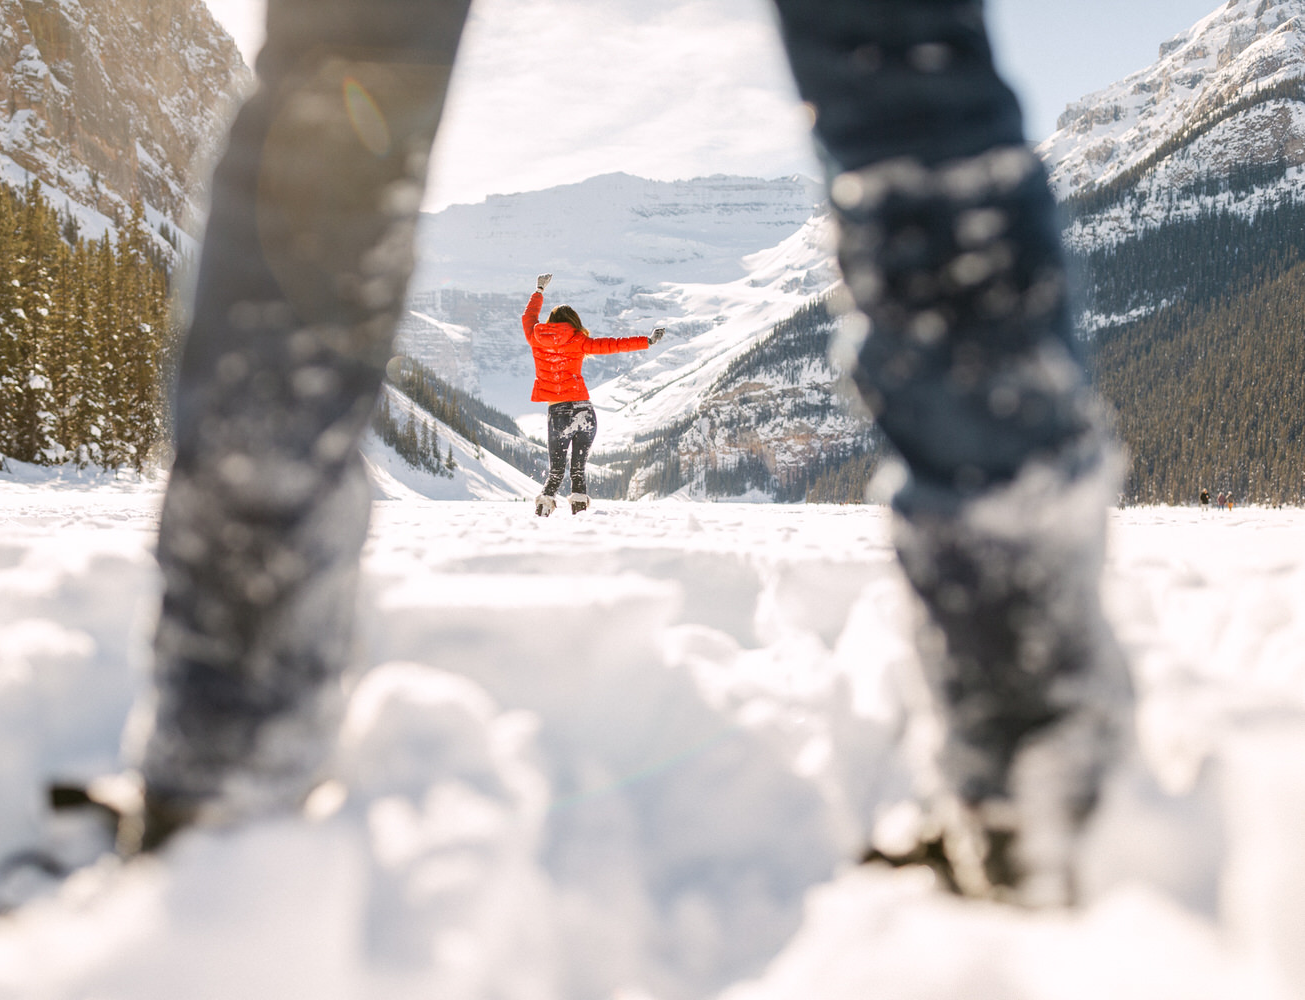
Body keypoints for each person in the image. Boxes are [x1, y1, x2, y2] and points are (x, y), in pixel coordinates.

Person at [128, 0, 1134, 907]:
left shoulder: (551, 340)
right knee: (909, 72)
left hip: (562, 405)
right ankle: (1028, 730)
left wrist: (609, 337)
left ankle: (230, 734)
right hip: (567, 406)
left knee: (336, 77)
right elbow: (567, 334)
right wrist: (601, 334)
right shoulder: (556, 338)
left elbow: (563, 335)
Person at [523, 272, 662, 516]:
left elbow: (529, 316)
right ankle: (581, 523)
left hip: (558, 412)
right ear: (573, 321)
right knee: (578, 469)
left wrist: (539, 290)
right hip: (583, 410)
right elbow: (612, 344)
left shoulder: (535, 337)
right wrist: (647, 341)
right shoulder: (578, 339)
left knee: (556, 470)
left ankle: (542, 517)